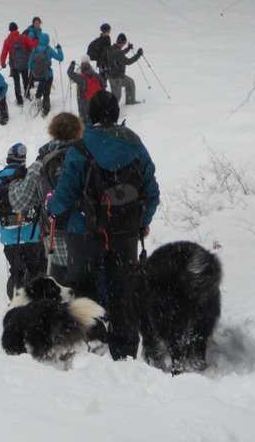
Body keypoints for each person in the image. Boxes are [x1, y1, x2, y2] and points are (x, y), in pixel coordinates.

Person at [46, 90, 160, 361]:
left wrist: (53, 209)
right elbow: (152, 191)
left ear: (90, 117)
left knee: (84, 285)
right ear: (116, 114)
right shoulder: (135, 145)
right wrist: (141, 223)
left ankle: (93, 342)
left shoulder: (81, 148)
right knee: (122, 289)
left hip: (84, 232)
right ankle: (126, 352)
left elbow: (65, 194)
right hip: (124, 232)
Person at [8, 112, 83, 283]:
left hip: (56, 244)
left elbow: (19, 203)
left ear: (53, 133)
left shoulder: (41, 165)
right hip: (90, 242)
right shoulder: (90, 157)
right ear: (79, 132)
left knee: (61, 298)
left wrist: (16, 180)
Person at [0, 143, 47, 299]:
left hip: (10, 239)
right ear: (23, 160)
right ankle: (38, 305)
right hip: (34, 236)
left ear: (8, 159)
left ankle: (16, 304)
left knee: (17, 273)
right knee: (37, 272)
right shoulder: (30, 178)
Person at [0, 22, 36, 106]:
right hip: (24, 63)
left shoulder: (7, 41)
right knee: (25, 80)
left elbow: (4, 53)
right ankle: (27, 95)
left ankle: (19, 100)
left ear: (9, 30)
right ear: (17, 28)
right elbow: (32, 46)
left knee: (16, 83)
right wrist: (36, 41)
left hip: (14, 65)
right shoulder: (23, 37)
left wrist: (3, 63)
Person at [28, 33, 64, 117]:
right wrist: (59, 49)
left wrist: (34, 73)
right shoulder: (49, 50)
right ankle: (46, 108)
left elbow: (29, 64)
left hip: (38, 74)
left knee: (40, 86)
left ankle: (37, 100)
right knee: (46, 92)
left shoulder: (35, 49)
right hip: (48, 74)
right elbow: (60, 58)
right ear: (48, 40)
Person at [107, 33, 143, 105]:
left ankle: (130, 102)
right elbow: (128, 61)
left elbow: (121, 53)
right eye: (125, 43)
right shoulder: (117, 51)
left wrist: (128, 48)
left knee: (130, 83)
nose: (124, 45)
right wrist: (138, 55)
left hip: (118, 75)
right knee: (116, 97)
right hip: (115, 77)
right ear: (122, 42)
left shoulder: (113, 48)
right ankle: (110, 112)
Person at [66, 55, 106, 121]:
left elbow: (70, 73)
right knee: (94, 117)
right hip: (95, 100)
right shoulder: (94, 74)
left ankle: (85, 129)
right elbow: (103, 83)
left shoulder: (81, 78)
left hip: (83, 100)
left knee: (84, 119)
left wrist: (72, 66)